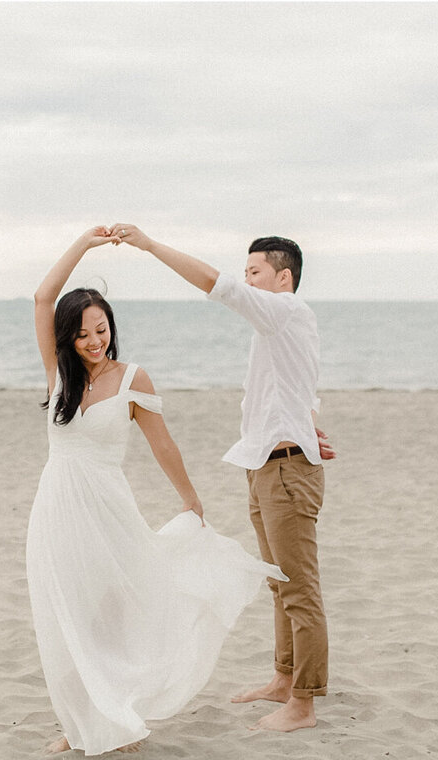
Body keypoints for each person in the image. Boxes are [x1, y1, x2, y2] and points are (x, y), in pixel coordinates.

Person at [27, 226, 288, 756]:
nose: (94, 341)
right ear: (66, 340)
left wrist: (191, 500)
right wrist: (84, 243)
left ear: (110, 327)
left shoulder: (132, 379)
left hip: (108, 508)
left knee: (111, 612)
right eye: (81, 334)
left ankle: (116, 715)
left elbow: (162, 445)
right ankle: (80, 723)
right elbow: (41, 297)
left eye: (100, 329)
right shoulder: (59, 376)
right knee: (66, 614)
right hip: (55, 509)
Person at [111, 223, 333, 734]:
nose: (246, 280)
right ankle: (283, 680)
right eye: (246, 271)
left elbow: (219, 286)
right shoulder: (279, 327)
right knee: (279, 585)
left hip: (286, 473)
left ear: (283, 278)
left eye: (255, 272)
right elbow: (300, 388)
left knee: (299, 589)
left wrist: (149, 245)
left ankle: (304, 704)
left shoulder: (287, 310)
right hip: (267, 465)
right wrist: (309, 426)